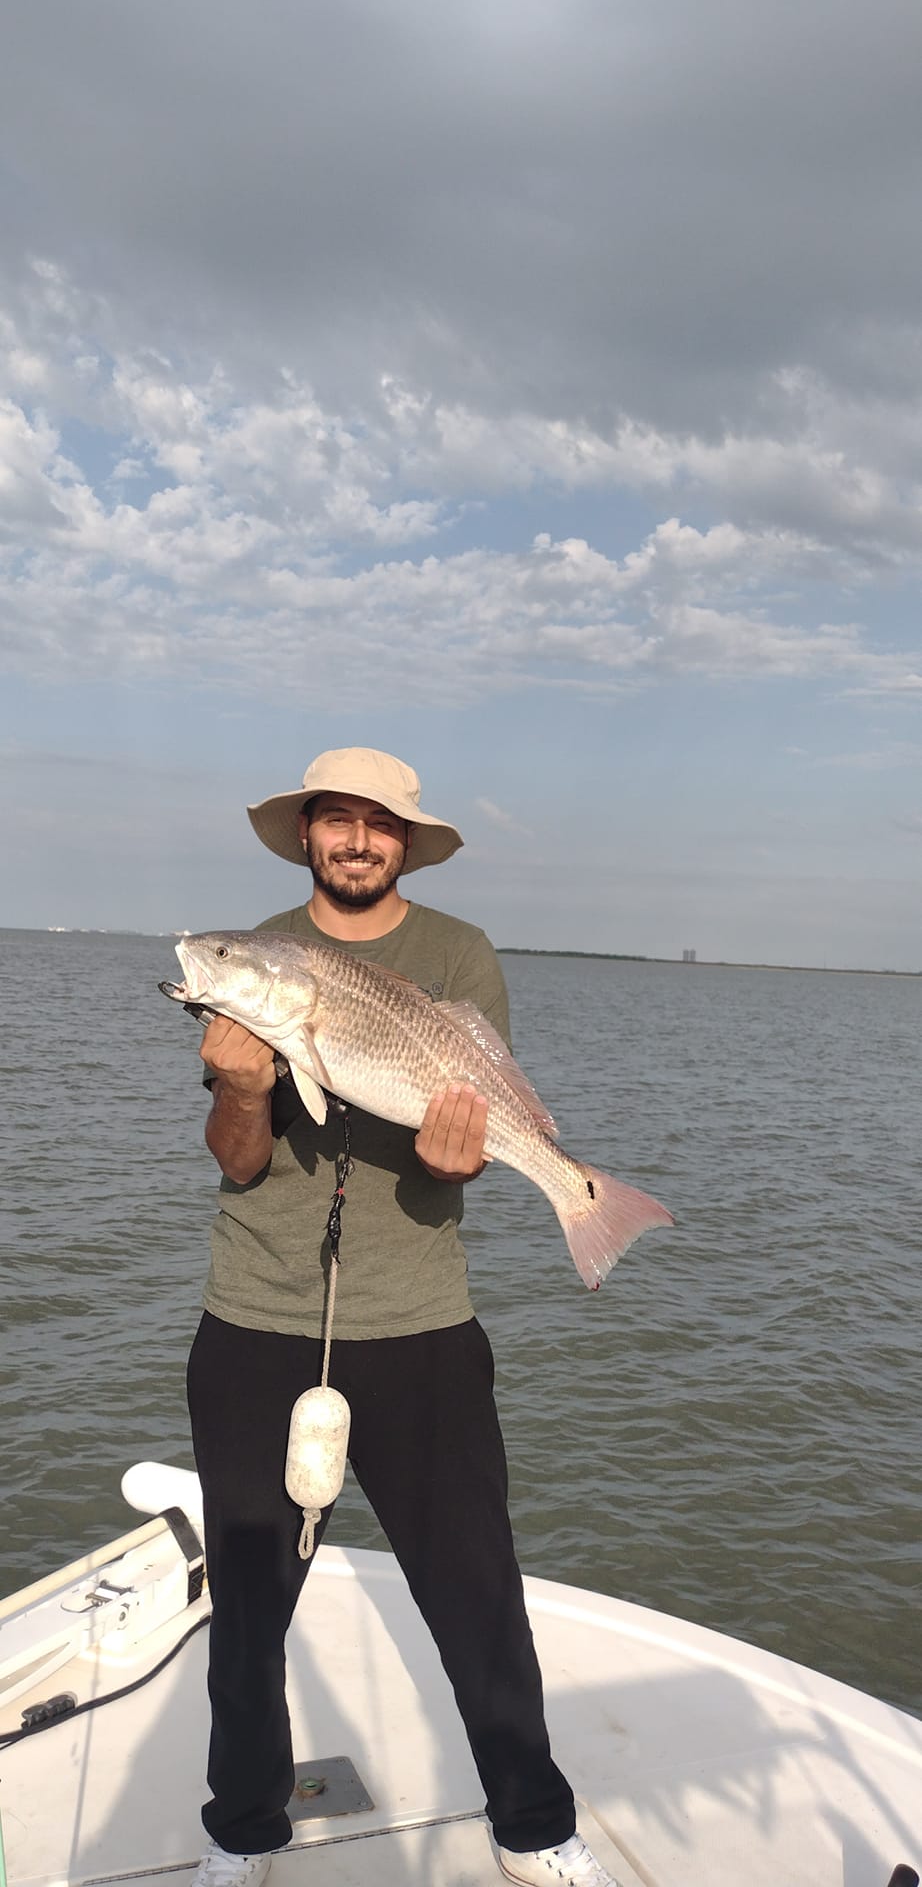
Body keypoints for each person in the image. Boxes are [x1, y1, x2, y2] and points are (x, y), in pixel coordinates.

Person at [187, 746, 623, 1887]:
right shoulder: (260, 961)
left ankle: (534, 1826)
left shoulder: (458, 955)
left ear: (406, 844)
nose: (357, 839)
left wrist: (467, 1154)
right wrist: (243, 1086)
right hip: (255, 1315)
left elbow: (457, 1139)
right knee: (248, 1607)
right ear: (306, 834)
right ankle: (242, 1831)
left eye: (379, 823)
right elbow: (237, 1161)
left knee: (478, 1593)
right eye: (337, 818)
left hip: (421, 1320)